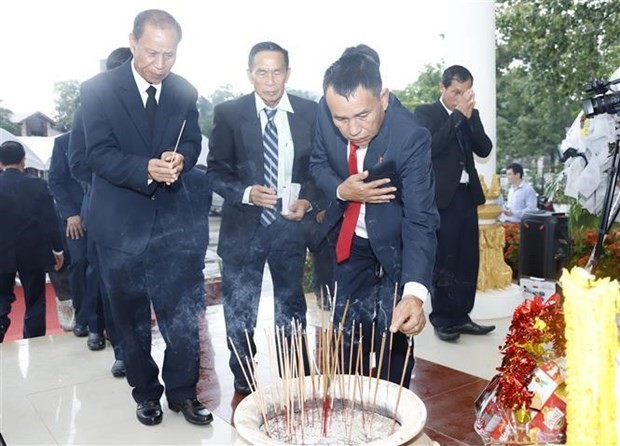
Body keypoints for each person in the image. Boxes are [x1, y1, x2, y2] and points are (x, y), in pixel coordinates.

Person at [79, 10, 212, 426]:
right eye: (152, 53)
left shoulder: (184, 90)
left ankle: (183, 392)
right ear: (133, 42)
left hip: (174, 226)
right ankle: (146, 393)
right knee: (131, 319)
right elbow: (96, 154)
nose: (160, 65)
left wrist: (182, 157)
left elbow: (191, 139)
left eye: (169, 55)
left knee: (182, 317)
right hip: (120, 228)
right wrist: (145, 168)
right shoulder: (97, 90)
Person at [310, 51, 439, 387]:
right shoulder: (326, 113)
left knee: (392, 334)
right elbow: (318, 165)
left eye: (363, 116)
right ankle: (351, 409)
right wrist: (342, 190)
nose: (352, 129)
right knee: (347, 333)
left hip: (396, 243)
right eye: (342, 119)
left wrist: (414, 294)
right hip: (351, 238)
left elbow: (420, 218)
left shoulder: (410, 136)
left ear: (383, 98)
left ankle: (390, 417)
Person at [206, 41, 318, 395]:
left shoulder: (311, 113)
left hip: (289, 228)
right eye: (262, 72)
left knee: (291, 306)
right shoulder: (228, 113)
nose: (270, 81)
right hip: (243, 230)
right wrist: (245, 193)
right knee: (239, 310)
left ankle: (296, 375)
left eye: (277, 72)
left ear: (288, 73)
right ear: (250, 74)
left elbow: (319, 169)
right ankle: (243, 374)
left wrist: (309, 201)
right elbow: (215, 171)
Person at [414, 65, 495, 342]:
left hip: (466, 195)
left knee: (467, 258)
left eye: (466, 92)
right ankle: (443, 319)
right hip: (441, 199)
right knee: (444, 260)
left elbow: (484, 148)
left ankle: (462, 316)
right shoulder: (426, 113)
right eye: (455, 92)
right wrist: (458, 116)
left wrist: (469, 119)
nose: (461, 97)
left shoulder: (472, 115)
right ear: (442, 88)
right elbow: (431, 147)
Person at [68, 46, 133, 378]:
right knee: (105, 277)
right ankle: (115, 343)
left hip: (148, 209)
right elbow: (77, 160)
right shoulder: (89, 110)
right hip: (105, 208)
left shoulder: (155, 105)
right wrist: (107, 184)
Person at [0, 141, 64, 341]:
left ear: (1, 162)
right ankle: (34, 340)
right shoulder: (37, 184)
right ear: (23, 159)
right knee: (35, 300)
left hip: (2, 251)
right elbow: (50, 220)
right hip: (33, 250)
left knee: (1, 298)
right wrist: (58, 249)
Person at [49, 132, 107, 349]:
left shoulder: (107, 135)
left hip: (107, 212)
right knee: (81, 263)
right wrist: (70, 214)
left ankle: (107, 320)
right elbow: (55, 180)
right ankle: (85, 319)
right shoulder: (63, 142)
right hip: (76, 218)